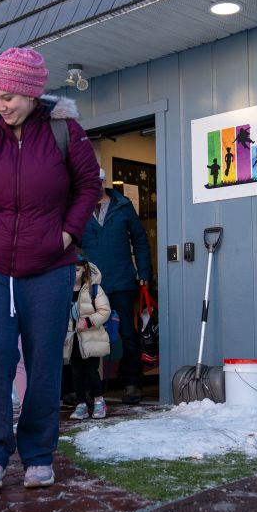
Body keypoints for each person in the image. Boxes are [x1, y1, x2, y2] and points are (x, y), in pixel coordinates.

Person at [0, 47, 100, 489]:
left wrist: (67, 234)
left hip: (49, 266)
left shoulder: (66, 132)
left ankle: (38, 454)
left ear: (31, 93)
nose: (0, 105)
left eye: (8, 96)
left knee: (43, 359)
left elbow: (90, 185)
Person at [80, 168, 152, 404]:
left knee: (128, 334)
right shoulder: (79, 209)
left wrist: (144, 272)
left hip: (122, 280)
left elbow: (140, 239)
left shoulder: (123, 206)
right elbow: (72, 243)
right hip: (93, 284)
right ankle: (89, 389)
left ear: (103, 182)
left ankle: (133, 384)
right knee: (90, 334)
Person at [65, 256, 111, 420]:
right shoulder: (64, 289)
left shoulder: (94, 289)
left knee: (92, 371)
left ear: (84, 268)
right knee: (76, 373)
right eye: (70, 269)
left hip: (92, 338)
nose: (73, 273)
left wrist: (88, 321)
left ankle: (99, 401)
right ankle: (81, 404)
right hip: (72, 340)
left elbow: (105, 311)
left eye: (77, 270)